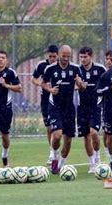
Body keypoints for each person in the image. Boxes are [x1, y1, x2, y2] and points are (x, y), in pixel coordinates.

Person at [41, 45, 84, 174]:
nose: (65, 58)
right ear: (59, 54)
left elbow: (82, 88)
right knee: (57, 134)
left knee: (68, 139)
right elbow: (43, 83)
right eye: (63, 56)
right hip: (55, 106)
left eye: (68, 56)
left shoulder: (75, 69)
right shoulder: (50, 68)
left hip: (69, 108)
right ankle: (54, 156)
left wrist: (80, 84)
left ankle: (61, 165)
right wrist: (50, 90)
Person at [77, 47, 107, 173]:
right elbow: (74, 86)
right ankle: (92, 163)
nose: (83, 59)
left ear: (91, 57)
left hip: (96, 106)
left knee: (94, 132)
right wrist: (79, 85)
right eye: (81, 57)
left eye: (85, 57)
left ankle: (98, 157)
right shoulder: (77, 70)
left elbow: (106, 85)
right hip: (82, 107)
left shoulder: (100, 69)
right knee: (86, 136)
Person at [31, 45, 58, 165]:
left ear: (58, 55)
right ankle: (52, 151)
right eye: (50, 56)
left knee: (58, 129)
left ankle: (56, 153)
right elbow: (34, 79)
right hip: (46, 99)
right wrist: (42, 85)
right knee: (49, 128)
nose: (52, 58)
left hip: (59, 100)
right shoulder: (41, 65)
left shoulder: (61, 65)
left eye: (54, 56)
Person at [102, 49, 112, 160]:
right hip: (105, 107)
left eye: (111, 59)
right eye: (107, 59)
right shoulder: (103, 74)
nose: (109, 61)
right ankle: (108, 154)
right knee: (107, 133)